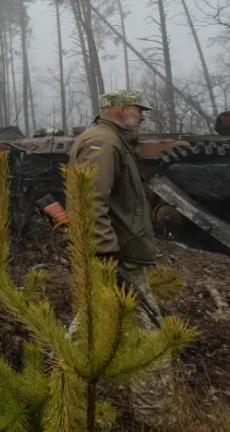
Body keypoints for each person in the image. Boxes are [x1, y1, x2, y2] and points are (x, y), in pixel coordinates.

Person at [68, 89, 171, 428]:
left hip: (116, 257)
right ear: (122, 109)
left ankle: (55, 395)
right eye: (139, 110)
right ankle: (152, 421)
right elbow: (90, 200)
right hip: (117, 259)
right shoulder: (104, 144)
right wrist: (106, 253)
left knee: (84, 330)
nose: (141, 116)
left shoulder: (110, 141)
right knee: (152, 344)